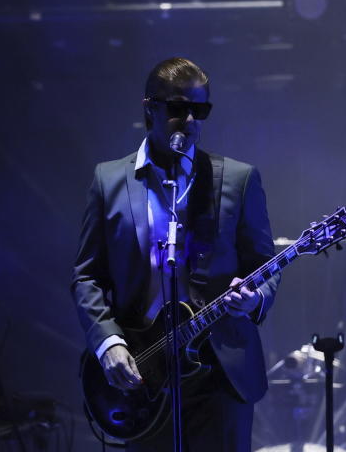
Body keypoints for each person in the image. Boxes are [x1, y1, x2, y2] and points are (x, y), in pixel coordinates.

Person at [71, 57, 279, 452]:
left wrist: (255, 298)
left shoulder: (237, 178)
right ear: (150, 108)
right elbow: (87, 276)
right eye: (177, 108)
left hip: (220, 371)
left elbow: (264, 265)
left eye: (199, 110)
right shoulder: (108, 180)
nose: (189, 120)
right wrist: (107, 343)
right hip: (145, 372)